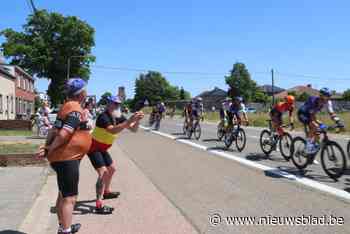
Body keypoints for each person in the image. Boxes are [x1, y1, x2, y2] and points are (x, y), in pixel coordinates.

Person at [36, 78, 92, 234]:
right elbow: (63, 133)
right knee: (70, 198)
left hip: (65, 158)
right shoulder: (75, 108)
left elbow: (54, 130)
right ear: (81, 93)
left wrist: (48, 147)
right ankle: (65, 231)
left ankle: (63, 226)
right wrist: (49, 149)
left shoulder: (67, 106)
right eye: (85, 90)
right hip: (67, 159)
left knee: (63, 194)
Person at [88, 95, 144, 214]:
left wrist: (137, 120)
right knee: (103, 173)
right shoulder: (103, 116)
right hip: (93, 148)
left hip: (103, 148)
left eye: (119, 104)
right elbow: (112, 130)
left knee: (112, 169)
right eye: (115, 103)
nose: (117, 106)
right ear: (109, 104)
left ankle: (106, 192)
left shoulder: (119, 116)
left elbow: (133, 130)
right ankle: (98, 204)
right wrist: (129, 121)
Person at [298, 88, 343, 154]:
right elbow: (312, 117)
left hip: (312, 115)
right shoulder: (313, 100)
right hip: (303, 114)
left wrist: (338, 121)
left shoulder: (328, 102)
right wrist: (321, 125)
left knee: (317, 136)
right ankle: (308, 145)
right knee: (315, 126)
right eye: (327, 96)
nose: (328, 98)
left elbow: (331, 113)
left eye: (329, 96)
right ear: (321, 96)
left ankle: (310, 155)